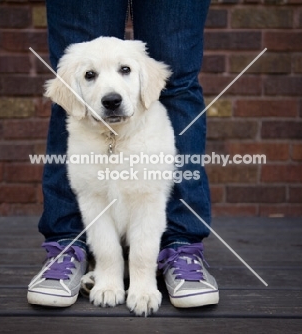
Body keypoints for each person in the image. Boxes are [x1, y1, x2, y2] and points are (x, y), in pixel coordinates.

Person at [27, 0, 219, 310]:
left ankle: (179, 250)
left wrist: (140, 278)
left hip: (145, 141)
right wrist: (109, 270)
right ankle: (72, 248)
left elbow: (148, 205)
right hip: (89, 142)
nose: (110, 93)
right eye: (89, 75)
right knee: (92, 196)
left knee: (179, 79)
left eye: (125, 70)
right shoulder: (73, 98)